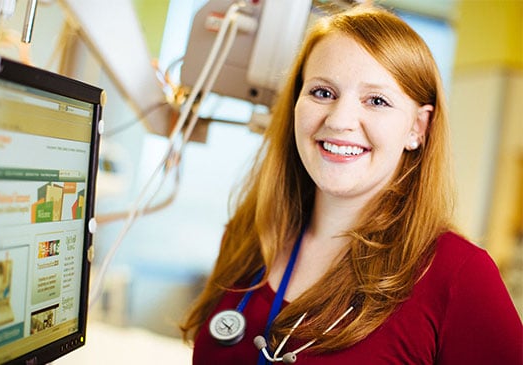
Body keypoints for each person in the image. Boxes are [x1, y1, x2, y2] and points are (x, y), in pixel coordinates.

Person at [181, 5, 523, 365]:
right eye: (322, 93)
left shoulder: (458, 276)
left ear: (418, 128)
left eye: (376, 100)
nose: (340, 119)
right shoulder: (248, 236)